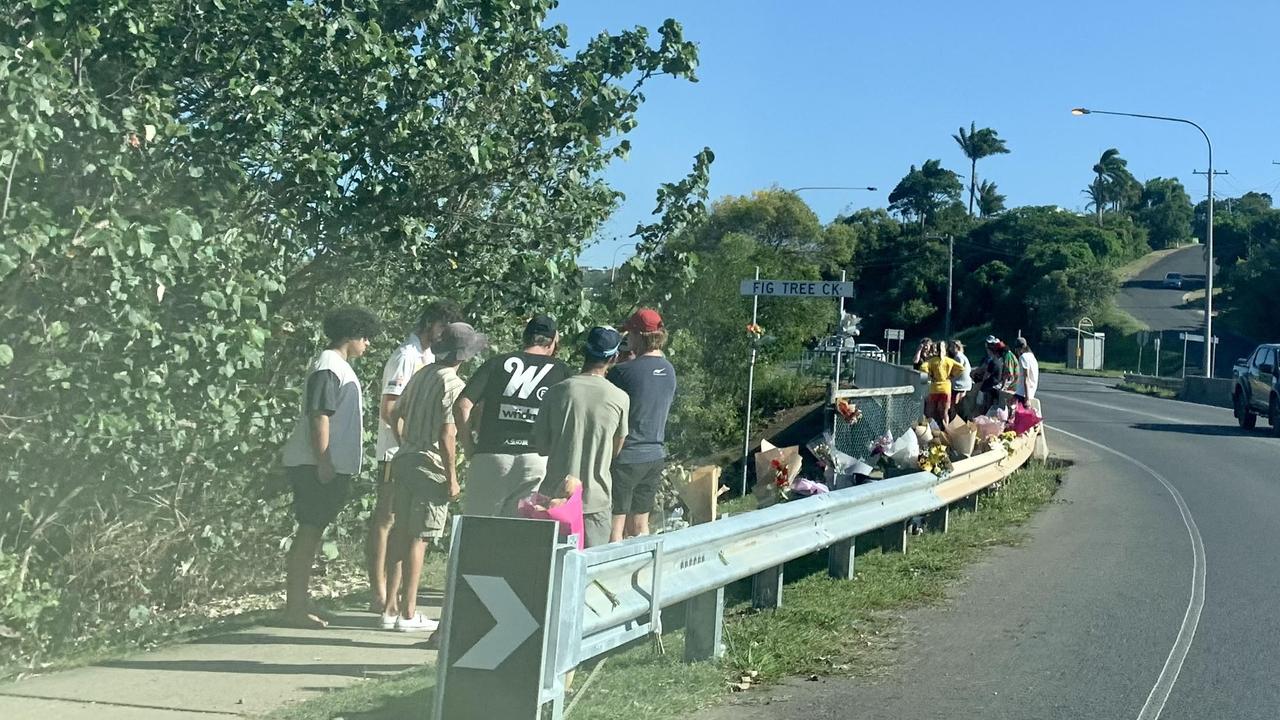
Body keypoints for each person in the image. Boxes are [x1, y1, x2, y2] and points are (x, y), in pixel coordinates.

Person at [280, 306, 381, 629]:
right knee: (308, 532)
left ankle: (302, 599)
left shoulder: (338, 366)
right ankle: (294, 606)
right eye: (365, 337)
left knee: (314, 531)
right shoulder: (328, 366)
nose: (368, 344)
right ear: (351, 335)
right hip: (315, 464)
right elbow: (319, 415)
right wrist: (324, 460)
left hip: (328, 464)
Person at [382, 322, 487, 632]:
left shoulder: (421, 374)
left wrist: (406, 444)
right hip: (430, 466)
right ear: (464, 355)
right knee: (420, 537)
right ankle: (409, 611)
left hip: (405, 459)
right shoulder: (453, 385)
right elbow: (446, 433)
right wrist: (452, 476)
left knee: (400, 533)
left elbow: (394, 413)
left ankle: (390, 607)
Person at [368, 300, 462, 616]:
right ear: (430, 323)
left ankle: (390, 598)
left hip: (408, 451)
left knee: (400, 524)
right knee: (388, 521)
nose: (443, 334)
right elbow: (390, 408)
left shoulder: (429, 360)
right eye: (441, 327)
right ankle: (380, 592)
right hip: (398, 451)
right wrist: (409, 443)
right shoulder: (406, 355)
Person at [454, 315, 571, 517]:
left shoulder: (497, 363)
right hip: (535, 460)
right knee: (516, 535)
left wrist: (469, 446)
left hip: (491, 455)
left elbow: (462, 405)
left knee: (476, 530)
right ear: (552, 342)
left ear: (525, 337)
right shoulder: (561, 371)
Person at [532, 327, 630, 549]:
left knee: (550, 572)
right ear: (614, 357)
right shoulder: (620, 398)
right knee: (591, 575)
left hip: (554, 500)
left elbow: (541, 446)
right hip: (595, 501)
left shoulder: (556, 392)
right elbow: (615, 450)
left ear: (584, 352)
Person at [607, 309, 677, 542]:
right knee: (640, 525)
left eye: (630, 334)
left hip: (626, 455)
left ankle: (611, 575)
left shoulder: (622, 372)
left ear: (638, 335)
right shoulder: (669, 370)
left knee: (615, 526)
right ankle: (642, 573)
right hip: (655, 455)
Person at [913, 338, 962, 427]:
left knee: (931, 411)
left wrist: (931, 375)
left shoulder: (931, 361)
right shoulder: (949, 361)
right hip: (946, 388)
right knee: (945, 412)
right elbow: (961, 368)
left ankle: (931, 428)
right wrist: (951, 376)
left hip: (935, 388)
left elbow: (922, 368)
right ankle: (946, 430)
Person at [1012, 337, 1040, 407]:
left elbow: (1026, 378)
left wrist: (1027, 399)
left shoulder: (1023, 357)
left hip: (1022, 393)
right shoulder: (1032, 356)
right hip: (1031, 392)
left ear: (1018, 348)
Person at [949, 339, 973, 419]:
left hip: (960, 384)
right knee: (959, 404)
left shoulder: (958, 357)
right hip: (964, 384)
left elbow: (957, 369)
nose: (950, 348)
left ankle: (955, 420)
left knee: (956, 404)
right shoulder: (962, 356)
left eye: (952, 346)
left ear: (957, 347)